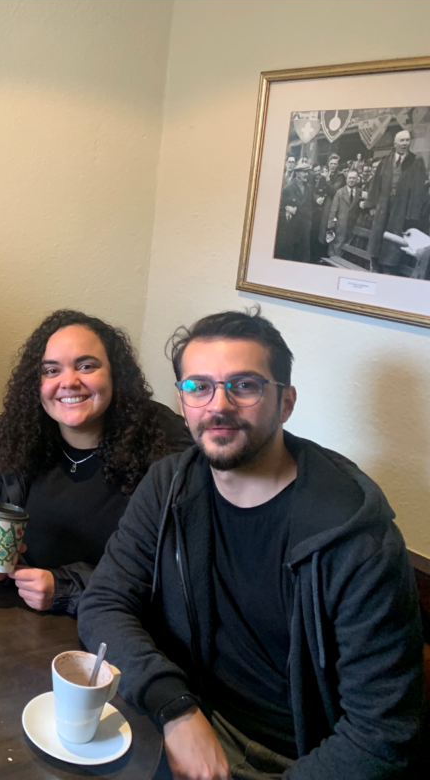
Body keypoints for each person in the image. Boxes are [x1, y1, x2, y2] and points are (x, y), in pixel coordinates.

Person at [79, 308, 424, 779]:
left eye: (244, 385)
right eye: (198, 387)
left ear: (285, 402)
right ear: (182, 403)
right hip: (181, 718)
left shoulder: (356, 537)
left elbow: (381, 733)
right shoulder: (169, 486)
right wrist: (176, 709)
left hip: (294, 761)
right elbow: (104, 602)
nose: (218, 405)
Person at [0, 311, 192, 614]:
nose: (69, 381)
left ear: (114, 374)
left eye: (86, 366)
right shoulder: (19, 434)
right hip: (17, 615)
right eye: (52, 371)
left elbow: (171, 572)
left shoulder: (164, 446)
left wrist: (67, 589)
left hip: (117, 626)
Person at [367, 130, 428, 275]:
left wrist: (412, 214)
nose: (405, 143)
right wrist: (372, 205)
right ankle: (375, 268)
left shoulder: (416, 161)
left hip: (401, 209)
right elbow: (375, 184)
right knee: (378, 241)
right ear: (395, 144)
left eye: (407, 140)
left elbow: (419, 190)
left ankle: (388, 271)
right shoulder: (385, 160)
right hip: (384, 207)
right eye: (402, 141)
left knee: (392, 244)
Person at [274, 162, 314, 263]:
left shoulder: (309, 188)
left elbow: (310, 204)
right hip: (292, 227)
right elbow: (279, 206)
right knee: (291, 254)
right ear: (297, 173)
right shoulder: (288, 188)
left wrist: (309, 219)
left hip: (305, 226)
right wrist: (287, 208)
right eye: (304, 172)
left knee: (304, 254)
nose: (307, 175)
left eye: (307, 172)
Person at [326, 169, 361, 258]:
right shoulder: (340, 192)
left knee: (348, 251)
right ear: (346, 179)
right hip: (340, 226)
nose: (351, 180)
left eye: (354, 178)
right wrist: (331, 225)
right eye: (350, 178)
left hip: (352, 227)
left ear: (357, 179)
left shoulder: (360, 192)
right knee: (336, 248)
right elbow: (333, 210)